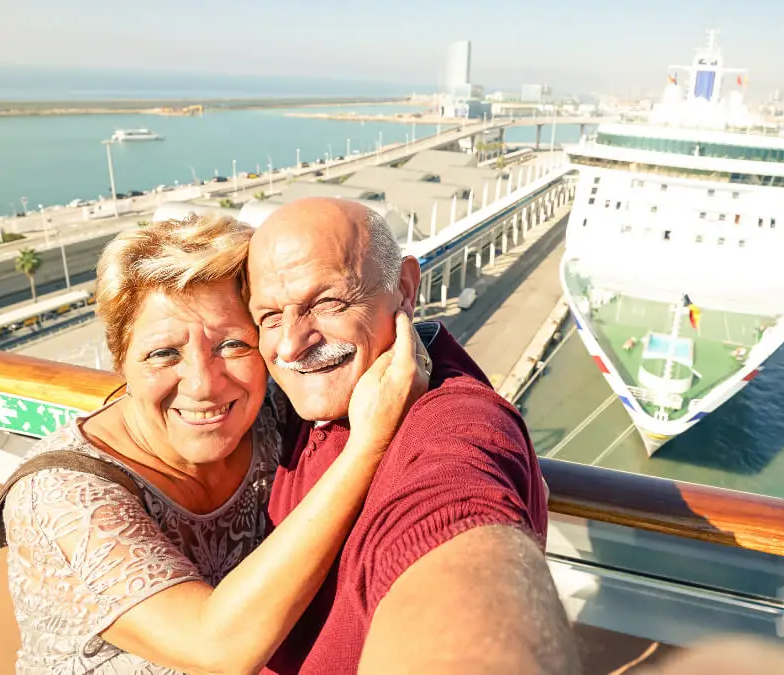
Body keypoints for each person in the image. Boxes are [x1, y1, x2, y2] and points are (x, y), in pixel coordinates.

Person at [2, 213, 428, 674]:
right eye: (164, 353)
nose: (204, 384)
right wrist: (367, 446)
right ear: (120, 359)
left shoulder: (270, 417)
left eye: (233, 346)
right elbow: (217, 648)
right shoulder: (62, 496)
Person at [246, 198, 580, 674]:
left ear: (404, 288)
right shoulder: (301, 403)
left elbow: (453, 519)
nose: (291, 345)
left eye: (326, 303)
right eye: (270, 317)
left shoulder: (455, 423)